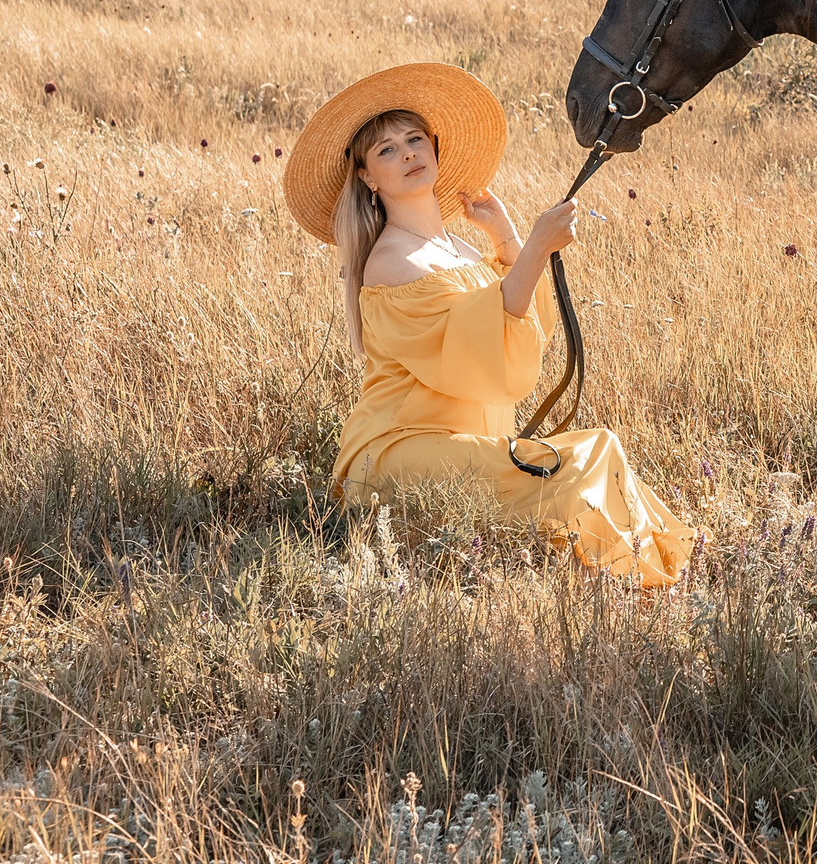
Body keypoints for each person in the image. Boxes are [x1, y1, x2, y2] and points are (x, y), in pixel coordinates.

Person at [282, 62, 694, 586]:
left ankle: (648, 569)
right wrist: (536, 246)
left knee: (597, 448)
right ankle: (636, 579)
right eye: (386, 150)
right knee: (573, 468)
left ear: (433, 146)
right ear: (366, 175)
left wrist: (504, 235)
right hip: (399, 452)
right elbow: (487, 337)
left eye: (414, 139)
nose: (407, 152)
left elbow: (525, 321)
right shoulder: (390, 263)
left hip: (461, 444)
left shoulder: (455, 249)